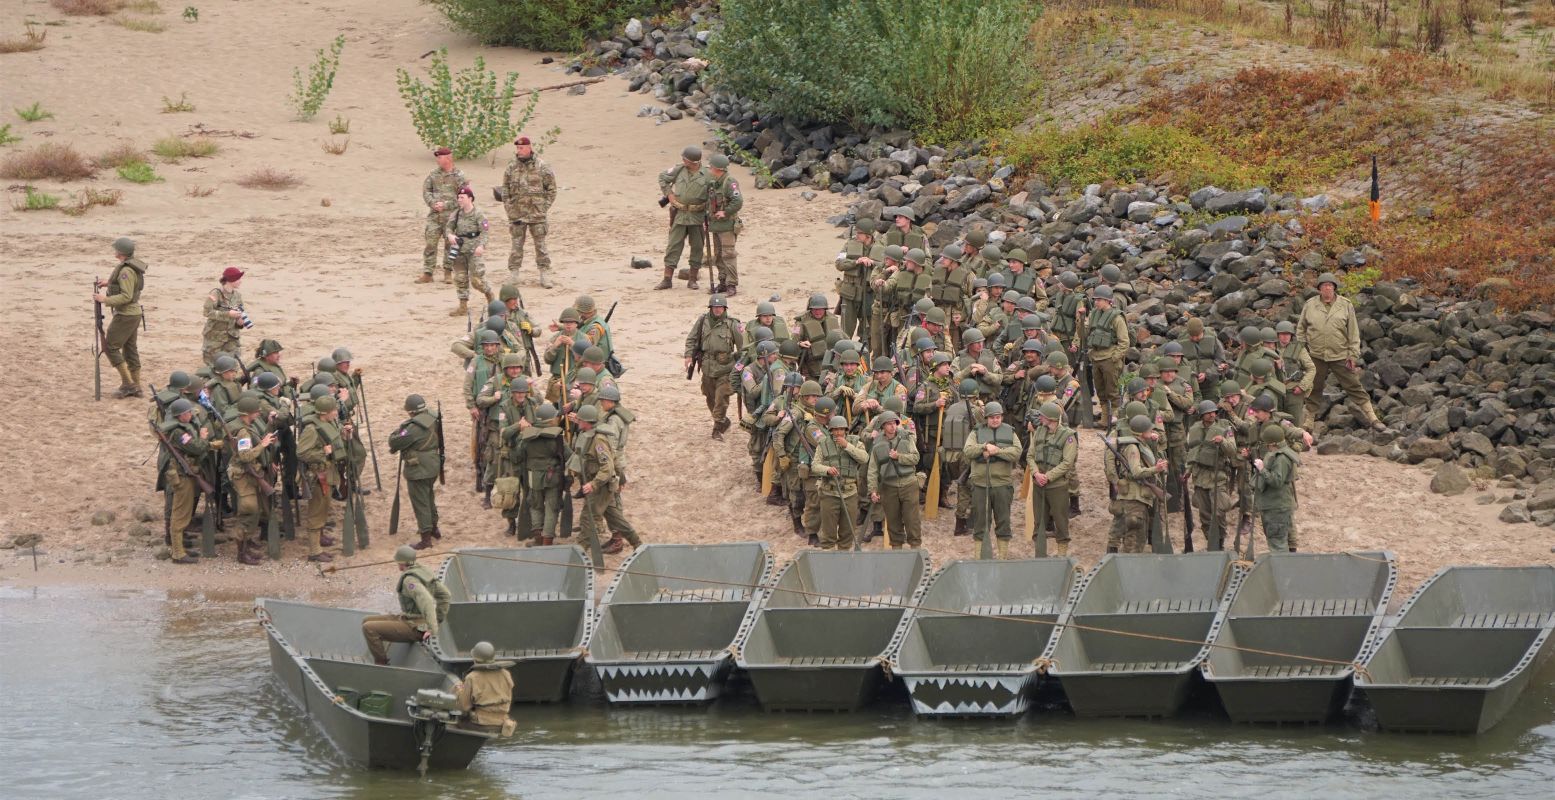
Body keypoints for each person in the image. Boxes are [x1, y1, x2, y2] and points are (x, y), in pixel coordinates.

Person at [1297, 272, 1387, 433]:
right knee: (1313, 387)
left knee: (1354, 386)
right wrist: (1302, 350)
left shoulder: (1345, 305)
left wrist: (1353, 354)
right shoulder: (1310, 305)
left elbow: (1353, 332)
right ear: (1319, 289)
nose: (1327, 288)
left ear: (1335, 288)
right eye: (1324, 286)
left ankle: (1373, 418)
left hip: (1340, 355)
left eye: (1330, 285)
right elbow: (1300, 329)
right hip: (1316, 355)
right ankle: (1308, 422)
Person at [572, 405, 641, 564]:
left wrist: (593, 484)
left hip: (601, 487)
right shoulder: (591, 434)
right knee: (616, 519)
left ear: (587, 422)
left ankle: (577, 554)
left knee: (588, 519)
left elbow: (607, 467)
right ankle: (638, 544)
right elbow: (613, 459)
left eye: (580, 420)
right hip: (604, 486)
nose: (578, 422)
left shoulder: (598, 440)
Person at [360, 545, 452, 666]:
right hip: (410, 618)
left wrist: (432, 628)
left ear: (401, 563)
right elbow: (445, 595)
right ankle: (380, 651)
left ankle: (381, 662)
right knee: (366, 620)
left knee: (369, 628)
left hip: (416, 626)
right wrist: (438, 619)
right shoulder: (423, 571)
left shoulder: (410, 581)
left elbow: (428, 601)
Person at [962, 401, 1021, 558]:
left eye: (998, 417)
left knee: (1003, 521)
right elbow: (967, 450)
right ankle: (979, 556)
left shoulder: (1010, 432)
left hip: (1002, 484)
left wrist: (996, 451)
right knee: (980, 522)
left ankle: (1002, 556)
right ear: (986, 418)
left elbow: (1016, 452)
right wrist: (984, 447)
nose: (995, 420)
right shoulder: (976, 432)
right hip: (981, 485)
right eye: (992, 417)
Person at [498, 135, 557, 288]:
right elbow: (505, 190)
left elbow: (551, 189)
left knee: (541, 246)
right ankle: (514, 274)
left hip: (537, 214)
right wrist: (509, 209)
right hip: (517, 214)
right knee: (516, 246)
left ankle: (544, 274)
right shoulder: (512, 167)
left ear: (529, 147)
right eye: (517, 148)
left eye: (522, 148)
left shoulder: (541, 166)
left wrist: (543, 207)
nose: (519, 151)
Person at [156, 398, 210, 564]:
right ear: (180, 416)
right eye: (188, 413)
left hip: (187, 473)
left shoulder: (182, 428)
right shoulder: (179, 433)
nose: (191, 414)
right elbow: (197, 447)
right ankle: (178, 553)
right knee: (180, 514)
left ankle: (180, 549)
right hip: (182, 476)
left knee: (183, 513)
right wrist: (203, 438)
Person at [225, 395, 277, 565]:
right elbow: (245, 456)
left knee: (255, 511)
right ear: (249, 413)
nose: (258, 414)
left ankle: (246, 545)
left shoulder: (247, 427)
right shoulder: (243, 432)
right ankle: (241, 553)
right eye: (256, 412)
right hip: (243, 475)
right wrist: (263, 444)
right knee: (249, 510)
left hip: (251, 473)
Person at [296, 395, 348, 562]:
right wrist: (322, 453)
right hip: (318, 476)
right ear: (325, 412)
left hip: (328, 473)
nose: (336, 412)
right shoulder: (312, 429)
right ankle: (314, 551)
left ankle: (317, 546)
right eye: (334, 410)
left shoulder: (329, 422)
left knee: (323, 510)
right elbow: (302, 453)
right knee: (316, 513)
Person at [94, 237, 148, 398]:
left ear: (121, 252)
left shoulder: (125, 271)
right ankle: (136, 385)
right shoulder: (130, 267)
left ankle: (128, 384)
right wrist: (109, 283)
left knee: (110, 347)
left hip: (125, 315)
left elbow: (126, 296)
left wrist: (105, 299)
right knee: (130, 350)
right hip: (133, 314)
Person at [388, 394, 443, 550]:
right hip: (432, 464)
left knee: (421, 503)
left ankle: (426, 538)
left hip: (419, 469)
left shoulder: (412, 428)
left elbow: (394, 441)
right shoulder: (432, 416)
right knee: (429, 497)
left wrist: (399, 430)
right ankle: (434, 529)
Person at [685, 293, 742, 440]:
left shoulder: (733, 324)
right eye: (715, 307)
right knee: (709, 397)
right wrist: (688, 355)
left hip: (726, 368)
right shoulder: (702, 321)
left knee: (721, 397)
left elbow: (743, 347)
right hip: (707, 367)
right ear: (711, 308)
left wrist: (740, 365)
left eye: (720, 307)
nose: (717, 310)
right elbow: (691, 339)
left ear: (724, 308)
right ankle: (722, 420)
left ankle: (717, 428)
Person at [1109, 414, 1168, 553]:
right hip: (1135, 498)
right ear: (1142, 432)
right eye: (1149, 430)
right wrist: (1156, 469)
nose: (1152, 431)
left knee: (1125, 536)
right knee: (1135, 540)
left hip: (1133, 496)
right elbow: (1136, 472)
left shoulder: (1140, 445)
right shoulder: (1133, 447)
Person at [657, 145, 711, 290]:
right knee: (673, 246)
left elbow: (714, 193)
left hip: (697, 216)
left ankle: (692, 279)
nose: (682, 160)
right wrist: (669, 194)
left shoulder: (707, 174)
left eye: (685, 159)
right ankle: (667, 279)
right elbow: (662, 177)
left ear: (693, 161)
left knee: (698, 247)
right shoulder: (679, 169)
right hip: (679, 214)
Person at [1026, 401, 1077, 557]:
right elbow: (1030, 455)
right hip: (1039, 484)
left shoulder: (1068, 436)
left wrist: (1048, 477)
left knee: (1061, 521)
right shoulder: (1039, 432)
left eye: (1042, 415)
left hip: (1057, 486)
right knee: (1038, 522)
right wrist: (1036, 474)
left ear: (1051, 418)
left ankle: (1061, 555)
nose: (1040, 418)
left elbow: (1067, 463)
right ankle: (1040, 554)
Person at [867, 410, 921, 549]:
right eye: (889, 424)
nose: (892, 427)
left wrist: (899, 457)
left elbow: (915, 458)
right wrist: (872, 490)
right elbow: (873, 470)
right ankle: (897, 550)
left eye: (894, 423)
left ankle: (916, 548)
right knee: (893, 521)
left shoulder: (906, 438)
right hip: (888, 487)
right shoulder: (877, 443)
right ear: (883, 426)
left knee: (912, 520)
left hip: (908, 484)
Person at [813, 416, 868, 550]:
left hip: (850, 493)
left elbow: (864, 458)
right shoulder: (823, 444)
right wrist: (827, 469)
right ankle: (829, 557)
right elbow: (814, 466)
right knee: (828, 532)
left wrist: (847, 446)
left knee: (847, 531)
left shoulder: (855, 442)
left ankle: (844, 556)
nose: (838, 432)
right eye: (835, 430)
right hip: (829, 493)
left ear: (846, 430)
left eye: (841, 429)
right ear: (830, 430)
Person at [1078, 285, 1129, 428]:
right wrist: (1080, 319)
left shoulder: (1117, 318)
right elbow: (1084, 335)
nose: (1096, 302)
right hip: (1096, 358)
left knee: (1112, 391)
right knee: (1100, 390)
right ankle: (1105, 419)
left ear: (1107, 301)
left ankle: (1115, 420)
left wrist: (1114, 358)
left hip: (1109, 359)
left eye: (1099, 300)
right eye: (1095, 300)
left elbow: (1124, 342)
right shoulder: (1094, 314)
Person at [515, 403, 566, 545]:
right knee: (552, 507)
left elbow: (517, 455)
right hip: (553, 477)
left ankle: (538, 538)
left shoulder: (527, 437)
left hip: (533, 477)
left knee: (535, 505)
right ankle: (547, 541)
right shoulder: (557, 436)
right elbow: (568, 455)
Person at [419, 146, 468, 284]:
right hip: (435, 216)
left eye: (440, 157)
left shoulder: (459, 176)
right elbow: (426, 191)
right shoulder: (433, 175)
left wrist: (445, 205)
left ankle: (448, 272)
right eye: (437, 157)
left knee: (450, 246)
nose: (437, 160)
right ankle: (428, 273)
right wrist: (433, 203)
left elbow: (464, 197)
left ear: (448, 158)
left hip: (451, 218)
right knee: (430, 244)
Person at [444, 185, 493, 317]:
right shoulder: (456, 214)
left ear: (470, 198)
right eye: (458, 197)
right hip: (459, 250)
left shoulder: (478, 214)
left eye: (462, 197)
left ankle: (491, 298)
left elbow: (485, 232)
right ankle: (463, 306)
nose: (459, 200)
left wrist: (481, 246)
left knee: (477, 280)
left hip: (473, 250)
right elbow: (448, 228)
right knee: (460, 278)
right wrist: (450, 235)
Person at [1252, 424, 1300, 554]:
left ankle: (1283, 571)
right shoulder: (1281, 454)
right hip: (1280, 504)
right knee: (1287, 540)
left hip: (1276, 507)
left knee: (1277, 544)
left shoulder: (1281, 458)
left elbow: (1276, 481)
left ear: (1272, 443)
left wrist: (1262, 470)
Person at [455, 641, 514, 734]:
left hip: (480, 724)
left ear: (475, 658)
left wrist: (459, 691)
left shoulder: (472, 677)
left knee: (450, 722)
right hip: (501, 724)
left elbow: (463, 707)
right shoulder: (506, 674)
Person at [706, 153, 744, 296]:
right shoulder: (713, 182)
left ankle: (731, 284)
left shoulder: (730, 182)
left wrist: (725, 212)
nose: (709, 169)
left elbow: (738, 201)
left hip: (727, 225)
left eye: (711, 167)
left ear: (717, 168)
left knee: (728, 255)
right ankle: (722, 281)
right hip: (716, 225)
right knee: (718, 256)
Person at [835, 220, 879, 342]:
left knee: (867, 333)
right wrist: (856, 262)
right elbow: (839, 263)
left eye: (860, 233)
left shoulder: (880, 248)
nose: (857, 235)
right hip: (850, 294)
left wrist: (873, 263)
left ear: (868, 236)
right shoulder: (849, 244)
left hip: (869, 294)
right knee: (844, 332)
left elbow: (886, 266)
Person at [201, 266, 246, 367]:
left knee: (232, 365)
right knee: (212, 365)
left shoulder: (237, 296)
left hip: (232, 338)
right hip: (215, 338)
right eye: (238, 279)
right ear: (231, 280)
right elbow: (207, 312)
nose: (240, 281)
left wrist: (240, 322)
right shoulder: (216, 294)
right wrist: (228, 314)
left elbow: (241, 312)